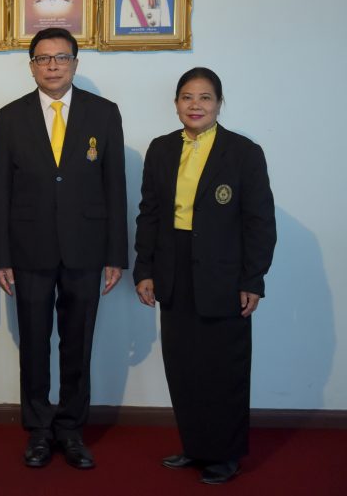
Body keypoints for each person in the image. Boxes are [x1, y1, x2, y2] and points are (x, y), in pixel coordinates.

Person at [0, 27, 127, 470]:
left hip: (86, 248)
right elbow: (0, 191)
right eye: (43, 58)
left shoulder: (103, 113)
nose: (52, 66)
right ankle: (38, 430)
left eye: (61, 58)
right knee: (33, 343)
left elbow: (115, 185)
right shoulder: (10, 117)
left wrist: (116, 254)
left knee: (77, 342)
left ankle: (70, 428)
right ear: (31, 66)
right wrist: (0, 255)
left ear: (75, 63)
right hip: (28, 250)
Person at [133, 67, 276, 485]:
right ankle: (195, 445)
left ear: (219, 103)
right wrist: (145, 269)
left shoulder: (244, 152)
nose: (195, 105)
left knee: (223, 369)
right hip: (174, 269)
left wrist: (253, 280)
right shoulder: (161, 149)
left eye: (205, 97)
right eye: (187, 97)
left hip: (224, 273)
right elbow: (149, 214)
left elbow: (259, 222)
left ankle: (225, 454)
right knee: (184, 366)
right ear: (176, 103)